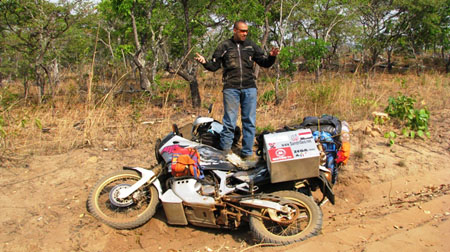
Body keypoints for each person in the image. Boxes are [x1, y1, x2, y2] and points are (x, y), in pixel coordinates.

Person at [195, 20, 279, 159]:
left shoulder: (251, 46)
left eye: (246, 31)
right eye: (242, 31)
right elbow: (214, 66)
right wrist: (205, 63)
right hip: (231, 88)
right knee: (229, 121)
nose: (245, 33)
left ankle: (247, 153)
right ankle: (225, 151)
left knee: (249, 121)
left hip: (249, 87)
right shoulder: (224, 46)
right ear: (235, 31)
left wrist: (272, 57)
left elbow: (264, 63)